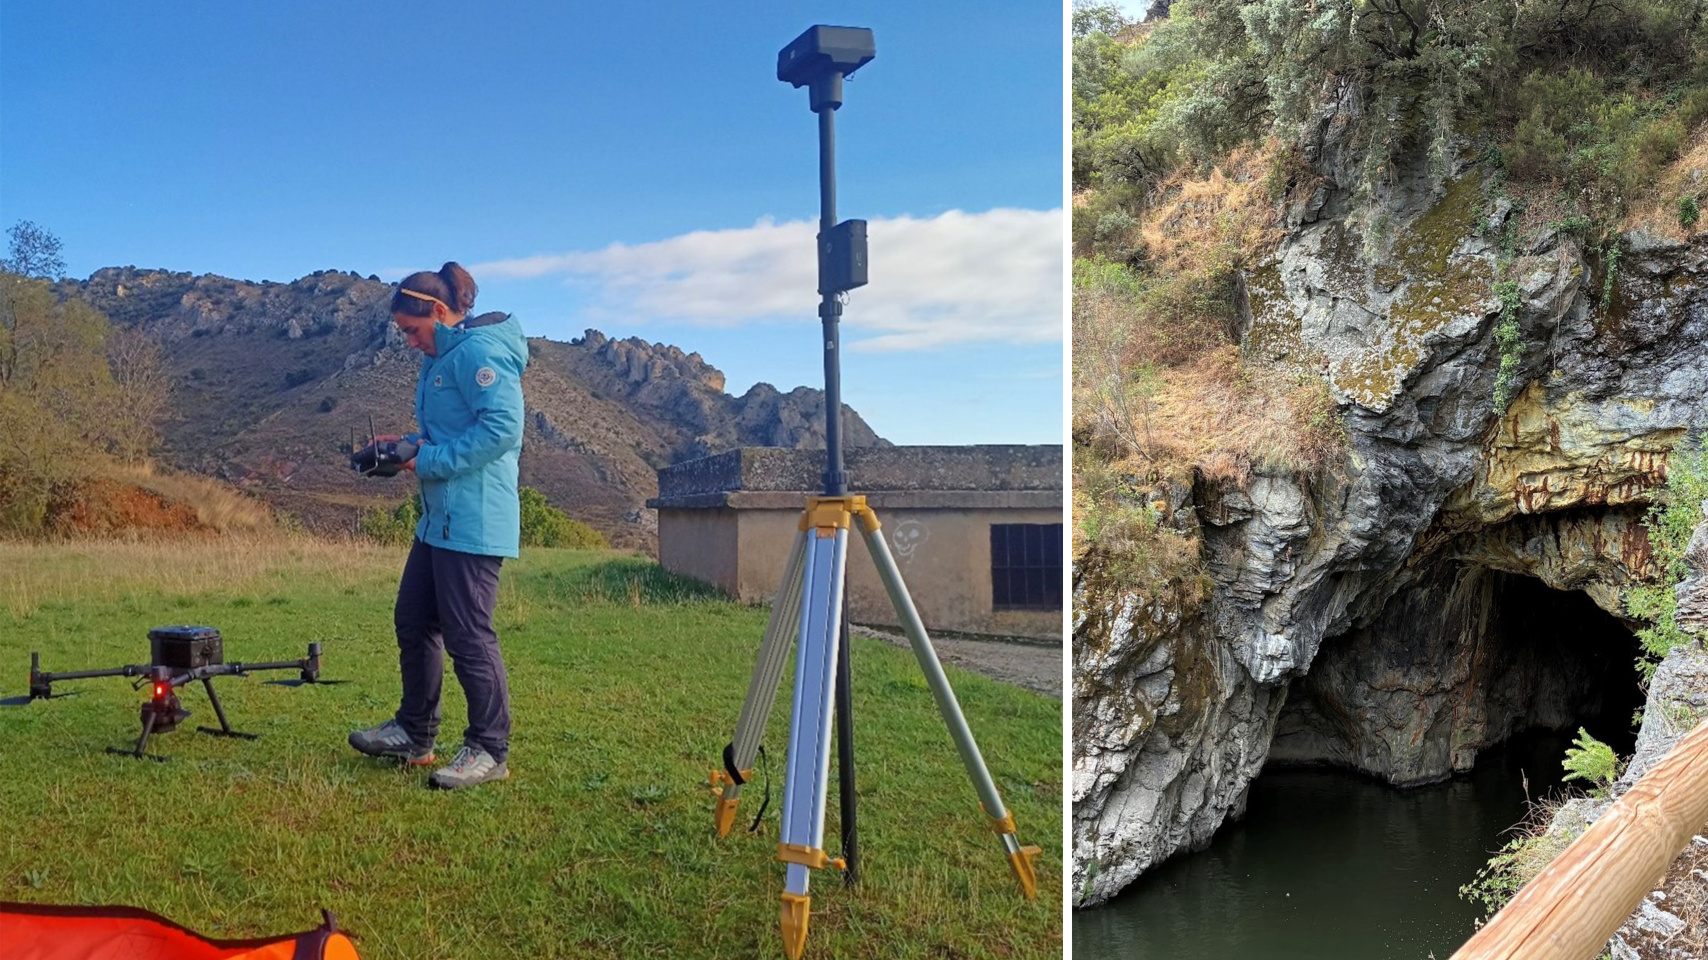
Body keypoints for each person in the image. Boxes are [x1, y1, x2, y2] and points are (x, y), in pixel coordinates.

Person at [348, 262, 528, 790]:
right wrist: (402, 448)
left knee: (469, 635)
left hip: (473, 520)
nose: (408, 342)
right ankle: (414, 731)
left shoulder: (477, 353)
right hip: (438, 521)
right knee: (413, 619)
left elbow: (501, 430)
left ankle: (489, 750)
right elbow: (449, 431)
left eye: (412, 330)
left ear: (441, 313)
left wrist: (424, 462)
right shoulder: (441, 357)